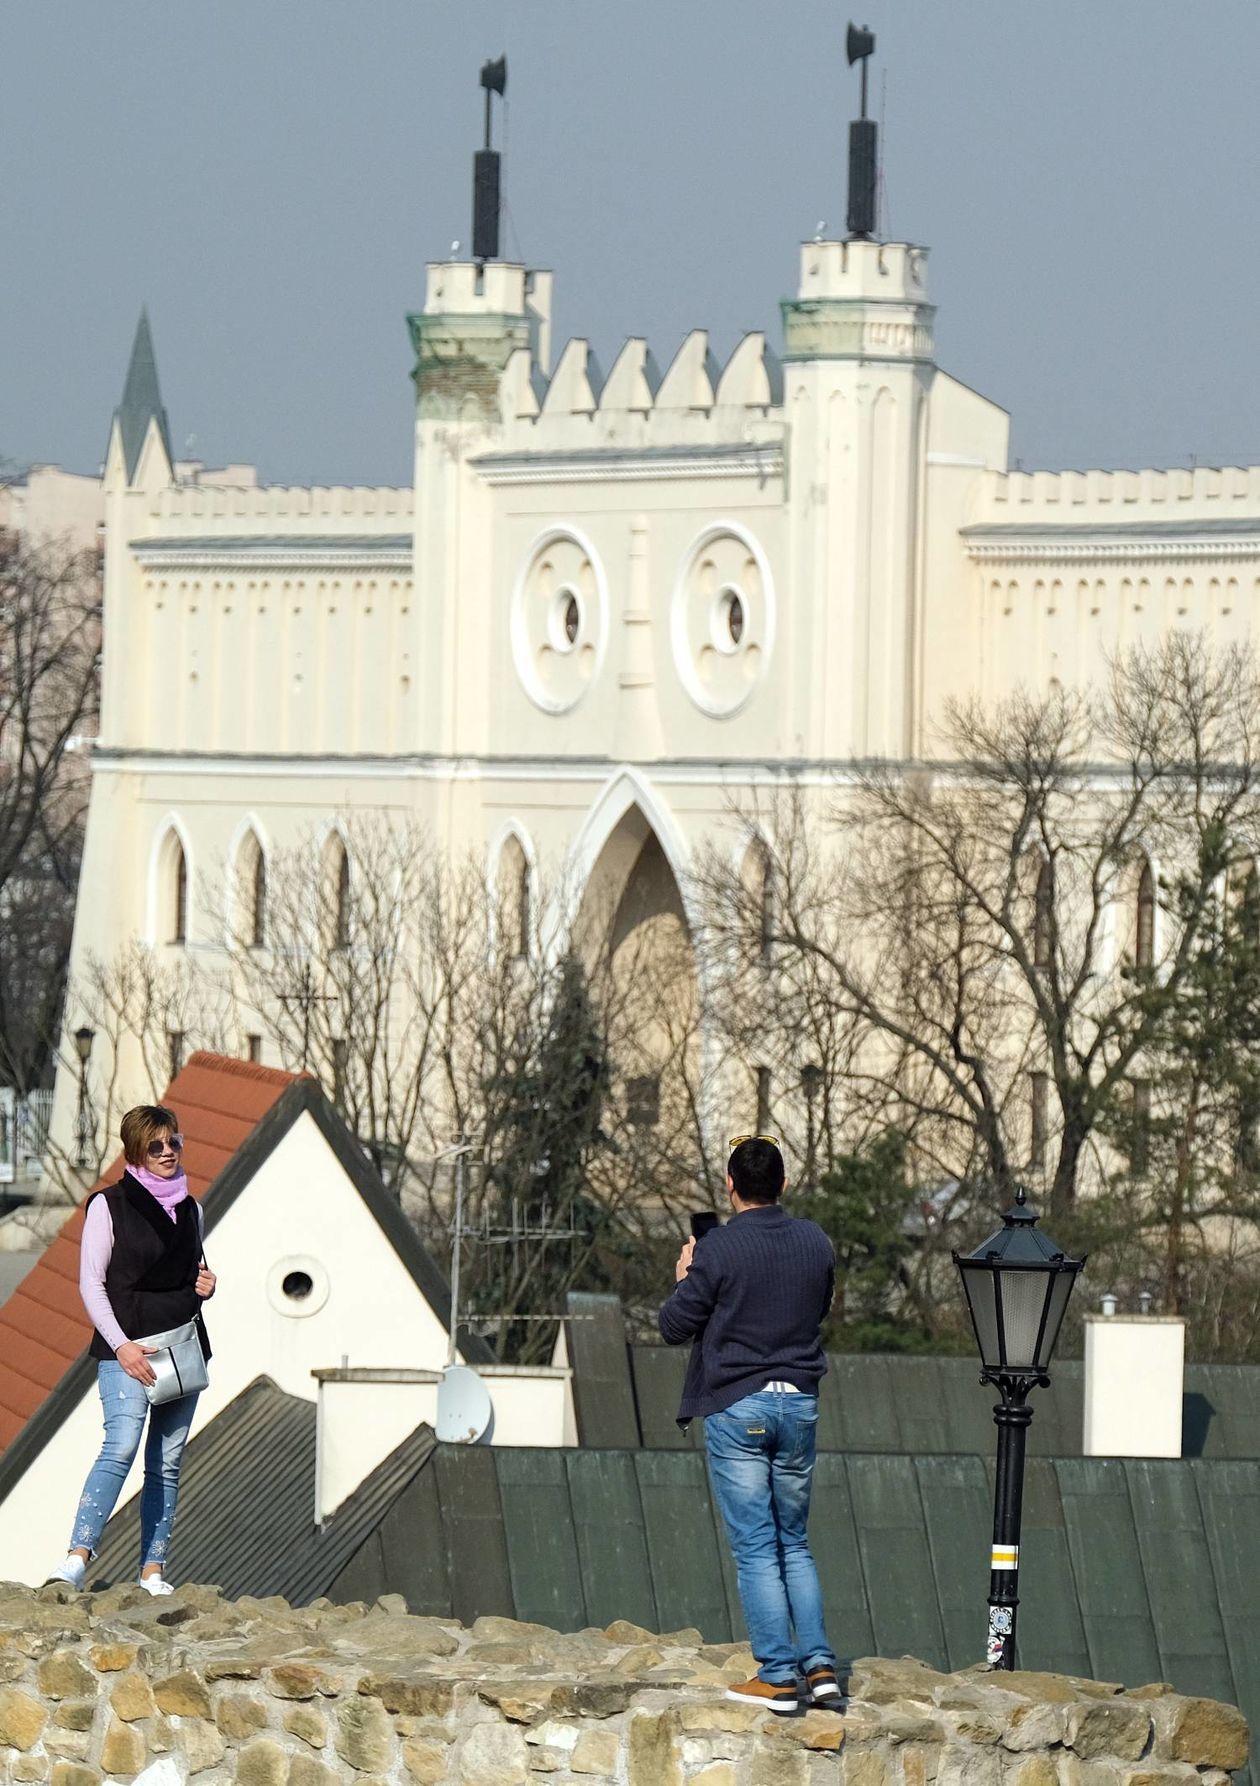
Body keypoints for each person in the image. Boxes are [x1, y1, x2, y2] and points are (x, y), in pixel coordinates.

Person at [658, 1134, 838, 1713]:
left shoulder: (720, 1249)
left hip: (740, 1404)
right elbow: (818, 1305)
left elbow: (673, 1326)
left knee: (758, 1548)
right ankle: (821, 1667)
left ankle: (779, 1676)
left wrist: (688, 1274)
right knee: (796, 1543)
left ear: (731, 1186)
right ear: (783, 1184)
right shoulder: (816, 1241)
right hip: (800, 1404)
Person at [44, 1105, 216, 1594]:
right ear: (135, 1152)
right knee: (119, 1446)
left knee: (167, 1461)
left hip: (181, 1348)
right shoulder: (108, 1205)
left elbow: (189, 1274)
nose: (167, 1153)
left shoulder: (192, 1209)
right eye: (155, 1146)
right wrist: (121, 1347)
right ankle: (77, 1556)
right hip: (128, 1352)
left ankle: (153, 1571)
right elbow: (91, 1285)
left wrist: (205, 1285)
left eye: (174, 1143)